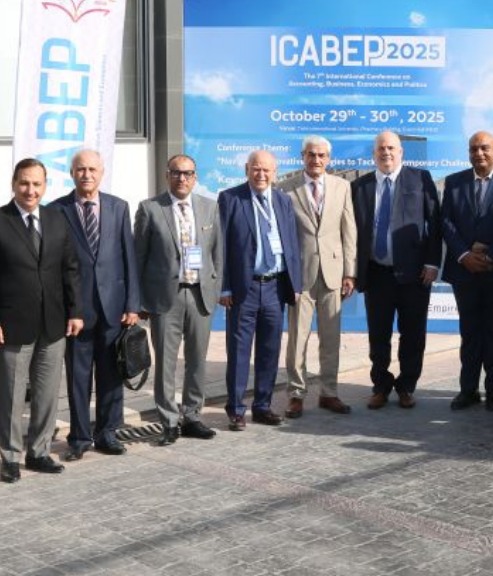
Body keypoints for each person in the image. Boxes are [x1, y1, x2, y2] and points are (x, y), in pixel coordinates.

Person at [0, 158, 83, 483]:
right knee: (10, 396)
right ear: (14, 184)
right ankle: (10, 457)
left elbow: (70, 269)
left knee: (47, 395)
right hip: (11, 326)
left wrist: (76, 311)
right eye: (24, 183)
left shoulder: (56, 219)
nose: (30, 190)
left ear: (45, 186)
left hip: (53, 324)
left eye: (37, 184)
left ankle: (38, 452)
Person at [55, 150, 141, 459]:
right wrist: (67, 309)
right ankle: (79, 437)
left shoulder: (119, 207)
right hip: (76, 313)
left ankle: (107, 433)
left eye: (92, 169)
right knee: (78, 379)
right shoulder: (57, 210)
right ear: (72, 173)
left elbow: (129, 257)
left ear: (102, 173)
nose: (87, 174)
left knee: (111, 375)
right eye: (81, 169)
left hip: (113, 309)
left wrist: (133, 304)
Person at [134, 154, 221, 445]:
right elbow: (138, 257)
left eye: (187, 173)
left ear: (195, 177)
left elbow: (217, 253)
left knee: (197, 360)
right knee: (166, 363)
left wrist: (215, 289)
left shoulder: (210, 207)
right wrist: (139, 301)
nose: (181, 178)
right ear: (167, 175)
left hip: (199, 295)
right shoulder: (150, 209)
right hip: (164, 298)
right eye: (176, 173)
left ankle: (192, 416)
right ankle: (169, 421)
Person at [352, 131, 442, 409]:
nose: (386, 152)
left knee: (413, 334)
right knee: (378, 335)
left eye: (391, 148)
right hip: (376, 273)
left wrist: (432, 262)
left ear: (401, 152)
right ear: (373, 154)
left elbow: (435, 222)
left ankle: (406, 386)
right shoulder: (360, 187)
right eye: (381, 148)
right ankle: (381, 386)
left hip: (414, 274)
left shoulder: (420, 179)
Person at [218, 151, 302, 430]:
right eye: (256, 169)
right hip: (245, 288)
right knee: (239, 351)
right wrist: (224, 286)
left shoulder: (283, 200)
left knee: (270, 349)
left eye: (267, 170)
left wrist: (295, 283)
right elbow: (222, 246)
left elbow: (291, 244)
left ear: (274, 172)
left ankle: (263, 406)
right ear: (246, 169)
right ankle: (236, 409)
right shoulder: (230, 198)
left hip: (275, 286)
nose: (261, 174)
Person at [441, 131, 493, 411]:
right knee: (470, 333)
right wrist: (464, 255)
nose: (479, 153)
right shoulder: (454, 182)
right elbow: (446, 222)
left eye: (485, 148)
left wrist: (489, 254)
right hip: (464, 271)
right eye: (474, 149)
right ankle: (468, 390)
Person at [283, 136, 357, 417]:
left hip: (333, 274)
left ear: (329, 159)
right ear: (302, 156)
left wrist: (349, 272)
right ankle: (296, 394)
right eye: (311, 154)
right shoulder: (286, 188)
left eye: (321, 155)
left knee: (331, 337)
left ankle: (329, 392)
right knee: (297, 339)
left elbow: (349, 230)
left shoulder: (342, 187)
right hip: (300, 275)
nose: (316, 160)